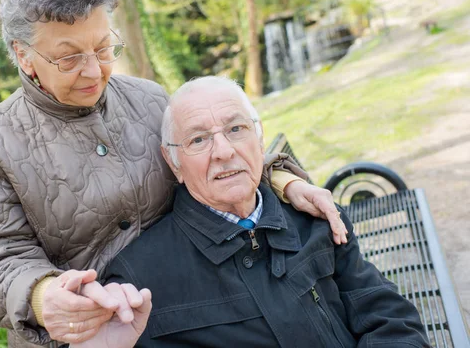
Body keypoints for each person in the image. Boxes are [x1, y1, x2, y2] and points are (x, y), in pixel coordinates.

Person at [0, 0, 347, 348]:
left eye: (102, 48)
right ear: (24, 55)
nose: (93, 71)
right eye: (69, 58)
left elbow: (204, 157)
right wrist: (44, 298)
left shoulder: (149, 99)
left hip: (194, 315)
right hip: (94, 337)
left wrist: (283, 181)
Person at [91, 76, 430, 348]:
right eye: (198, 140)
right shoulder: (139, 278)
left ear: (259, 135)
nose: (224, 151)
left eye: (236, 129)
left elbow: (388, 316)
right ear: (173, 162)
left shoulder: (315, 221)